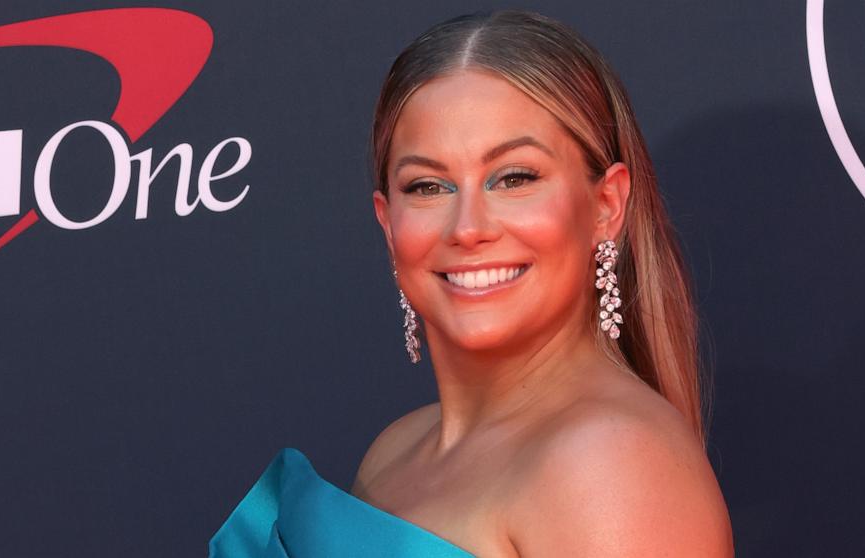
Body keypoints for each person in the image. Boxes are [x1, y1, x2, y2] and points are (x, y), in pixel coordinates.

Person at [210, 9, 733, 557]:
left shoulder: (611, 464)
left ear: (606, 205)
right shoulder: (392, 453)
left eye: (514, 178)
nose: (467, 228)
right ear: (388, 223)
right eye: (428, 186)